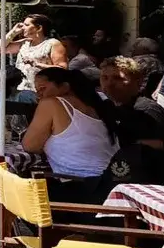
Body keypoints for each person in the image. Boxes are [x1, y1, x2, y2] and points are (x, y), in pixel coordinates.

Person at [23, 66, 118, 203]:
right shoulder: (94, 107)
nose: (39, 95)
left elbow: (30, 146)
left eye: (43, 88)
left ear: (65, 87)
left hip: (82, 188)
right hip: (110, 185)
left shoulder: (52, 103)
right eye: (37, 91)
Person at [99, 56, 164, 185]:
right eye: (105, 78)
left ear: (138, 81)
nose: (109, 84)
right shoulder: (109, 107)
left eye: (118, 78)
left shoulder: (147, 110)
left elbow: (160, 145)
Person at [0, 13, 62, 98]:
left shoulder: (53, 43)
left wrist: (37, 64)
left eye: (26, 25)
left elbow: (62, 69)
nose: (23, 28)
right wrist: (13, 32)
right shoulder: (25, 42)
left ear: (39, 28)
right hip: (20, 91)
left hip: (41, 93)